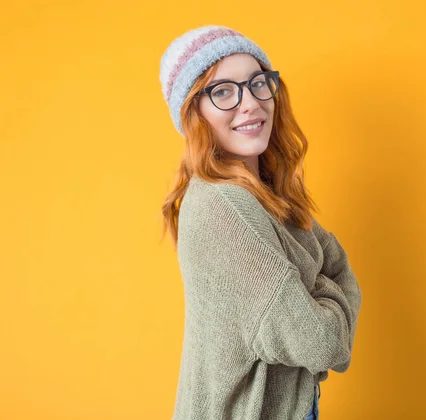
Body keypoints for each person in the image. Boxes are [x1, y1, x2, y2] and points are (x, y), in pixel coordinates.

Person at [159, 24, 363, 420]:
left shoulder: (264, 193)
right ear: (192, 113)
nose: (250, 103)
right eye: (222, 92)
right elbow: (322, 343)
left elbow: (340, 265)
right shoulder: (225, 207)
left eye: (257, 83)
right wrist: (320, 285)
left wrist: (306, 287)